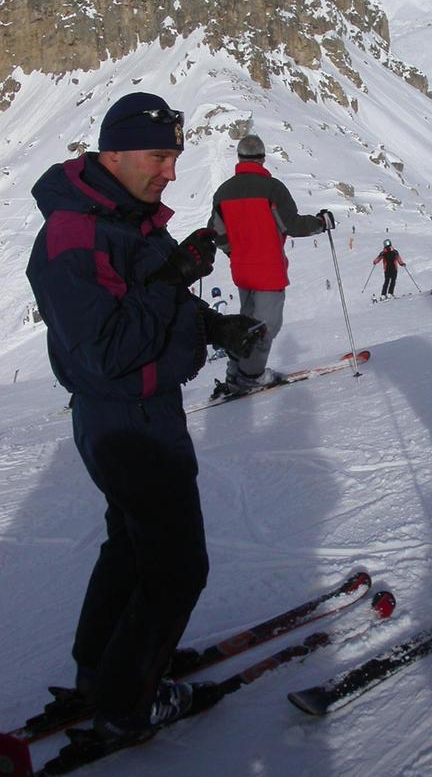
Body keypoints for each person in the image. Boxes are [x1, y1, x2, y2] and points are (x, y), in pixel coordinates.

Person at [26, 92, 263, 745]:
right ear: (115, 153)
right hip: (124, 421)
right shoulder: (75, 234)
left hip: (143, 410)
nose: (170, 171)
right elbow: (107, 350)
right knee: (176, 567)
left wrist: (213, 323)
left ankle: (102, 670)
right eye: (160, 156)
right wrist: (170, 277)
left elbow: (151, 301)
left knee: (131, 547)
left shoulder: (124, 219)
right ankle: (127, 704)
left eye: (175, 157)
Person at [208, 134, 334, 394]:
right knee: (265, 327)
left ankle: (235, 373)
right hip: (269, 269)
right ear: (263, 159)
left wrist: (235, 253)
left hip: (242, 271)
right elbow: (293, 225)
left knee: (245, 323)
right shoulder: (272, 189)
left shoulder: (223, 192)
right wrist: (322, 223)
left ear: (239, 158)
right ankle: (251, 376)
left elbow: (217, 233)